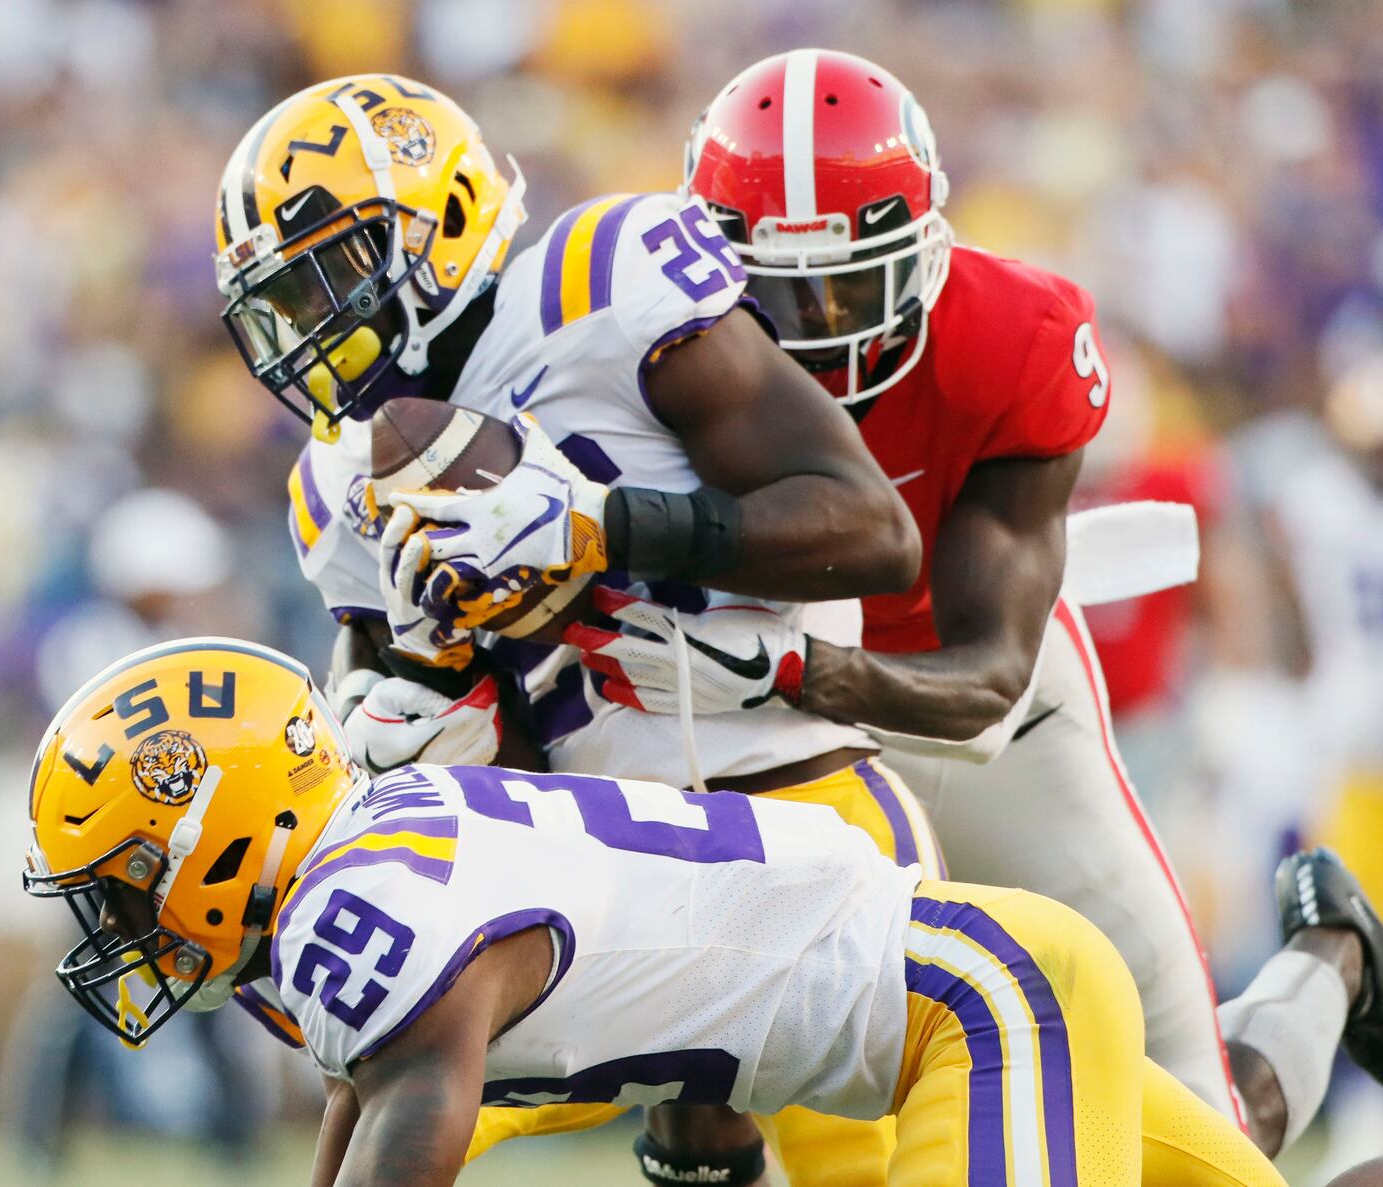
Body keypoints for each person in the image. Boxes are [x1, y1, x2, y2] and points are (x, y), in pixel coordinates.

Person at [563, 48, 1371, 1163]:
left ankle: (1330, 959)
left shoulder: (1012, 338)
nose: (814, 328)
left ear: (926, 248)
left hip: (984, 716)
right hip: (772, 744)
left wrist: (794, 670)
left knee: (1202, 1137)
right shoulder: (619, 344)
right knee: (777, 1097)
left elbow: (987, 678)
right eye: (775, 290)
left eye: (848, 284)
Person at [214, 73, 938, 1180]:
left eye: (331, 278)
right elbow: (444, 721)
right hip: (600, 859)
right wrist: (403, 707)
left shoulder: (600, 281)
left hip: (794, 799)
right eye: (287, 305)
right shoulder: (339, 477)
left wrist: (603, 524)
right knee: (381, 1053)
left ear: (440, 219)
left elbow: (873, 531)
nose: (313, 328)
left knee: (902, 1154)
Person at [21, 638, 1383, 1186]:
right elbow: (365, 1086)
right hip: (974, 988)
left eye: (127, 877)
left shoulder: (360, 914)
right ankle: (1336, 958)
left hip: (977, 1011)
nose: (118, 920)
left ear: (230, 832)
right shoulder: (364, 880)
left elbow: (412, 1127)